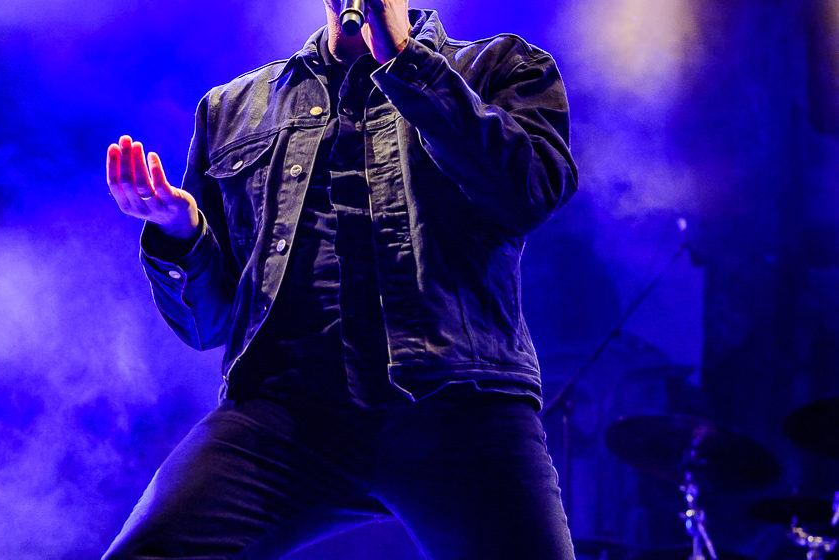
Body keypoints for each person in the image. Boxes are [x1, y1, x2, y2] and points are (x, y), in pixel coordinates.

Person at [103, 1, 578, 558]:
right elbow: (208, 326)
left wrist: (407, 61)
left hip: (457, 405)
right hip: (286, 413)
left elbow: (528, 195)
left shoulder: (500, 67)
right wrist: (179, 233)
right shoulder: (232, 108)